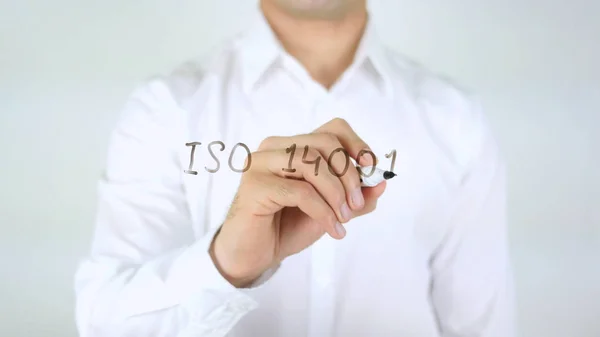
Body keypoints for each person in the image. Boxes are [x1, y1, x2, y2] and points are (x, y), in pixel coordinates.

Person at [74, 0, 515, 336]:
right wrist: (227, 265)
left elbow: (482, 326)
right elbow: (106, 323)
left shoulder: (456, 121)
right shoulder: (165, 110)